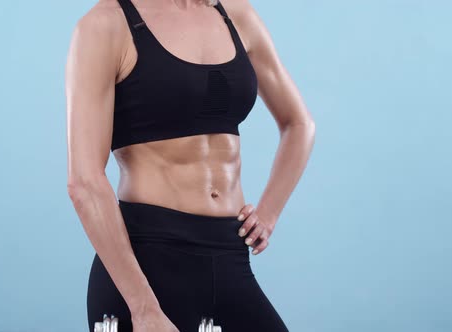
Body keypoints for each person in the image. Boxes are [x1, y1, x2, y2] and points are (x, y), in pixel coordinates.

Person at [65, 0, 315, 330]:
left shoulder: (234, 15)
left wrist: (269, 213)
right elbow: (84, 182)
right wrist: (142, 307)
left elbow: (299, 124)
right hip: (146, 263)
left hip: (228, 254)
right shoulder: (106, 25)